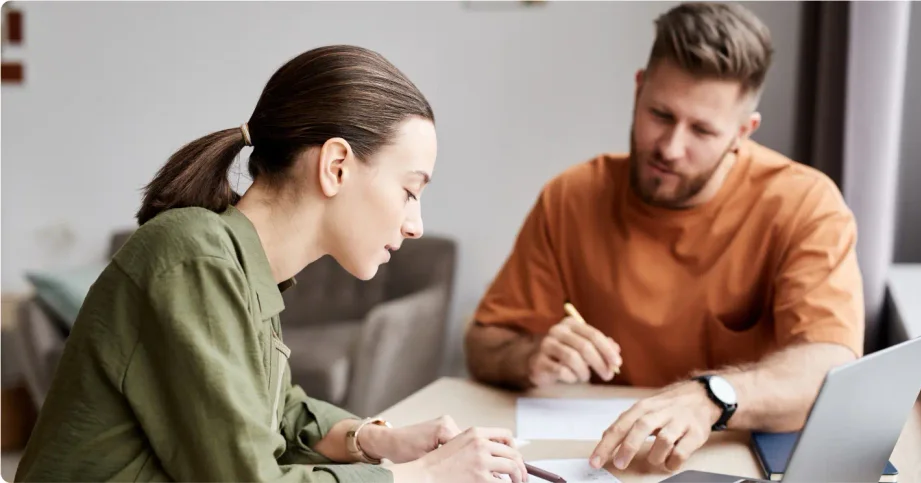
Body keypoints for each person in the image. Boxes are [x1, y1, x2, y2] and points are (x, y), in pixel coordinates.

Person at [15, 45, 528, 483]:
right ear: (336, 166)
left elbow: (278, 411)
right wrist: (420, 475)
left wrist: (377, 442)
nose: (415, 224)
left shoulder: (245, 268)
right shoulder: (193, 257)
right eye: (410, 191)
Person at [464, 1, 864, 475]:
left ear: (742, 133)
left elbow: (830, 366)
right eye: (660, 114)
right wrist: (529, 356)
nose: (671, 148)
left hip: (733, 463)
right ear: (638, 91)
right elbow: (482, 345)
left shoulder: (806, 204)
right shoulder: (571, 197)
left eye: (701, 130)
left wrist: (712, 396)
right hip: (606, 461)